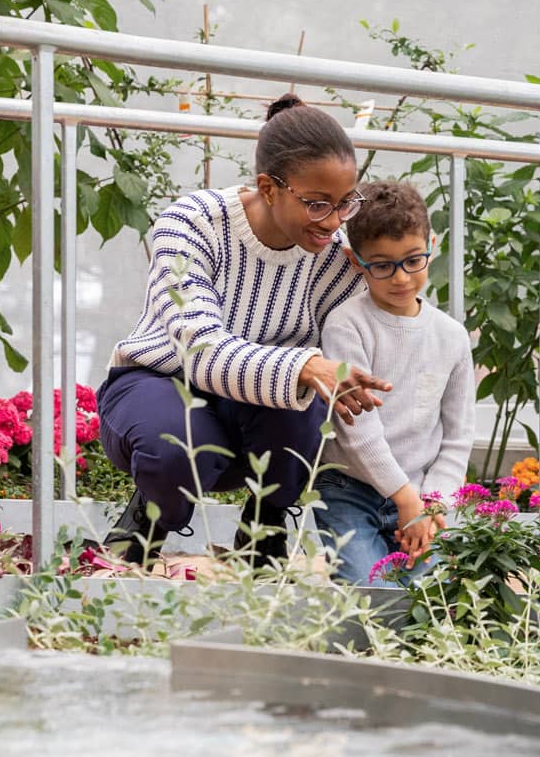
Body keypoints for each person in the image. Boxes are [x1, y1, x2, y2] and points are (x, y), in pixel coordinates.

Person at [97, 94, 392, 566]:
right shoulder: (191, 223)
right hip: (160, 382)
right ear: (268, 188)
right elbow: (202, 353)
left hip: (263, 412)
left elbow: (390, 328)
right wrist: (308, 364)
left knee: (305, 415)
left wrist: (387, 269)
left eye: (344, 203)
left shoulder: (338, 255)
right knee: (177, 446)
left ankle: (265, 526)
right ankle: (149, 520)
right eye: (318, 204)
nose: (334, 221)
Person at [315, 180, 475, 585]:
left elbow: (457, 438)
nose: (401, 278)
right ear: (356, 261)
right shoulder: (347, 325)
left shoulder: (451, 336)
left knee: (432, 597)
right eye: (383, 265)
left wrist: (432, 506)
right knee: (371, 597)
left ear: (431, 245)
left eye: (412, 260)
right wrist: (406, 500)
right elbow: (357, 431)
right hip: (349, 489)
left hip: (422, 495)